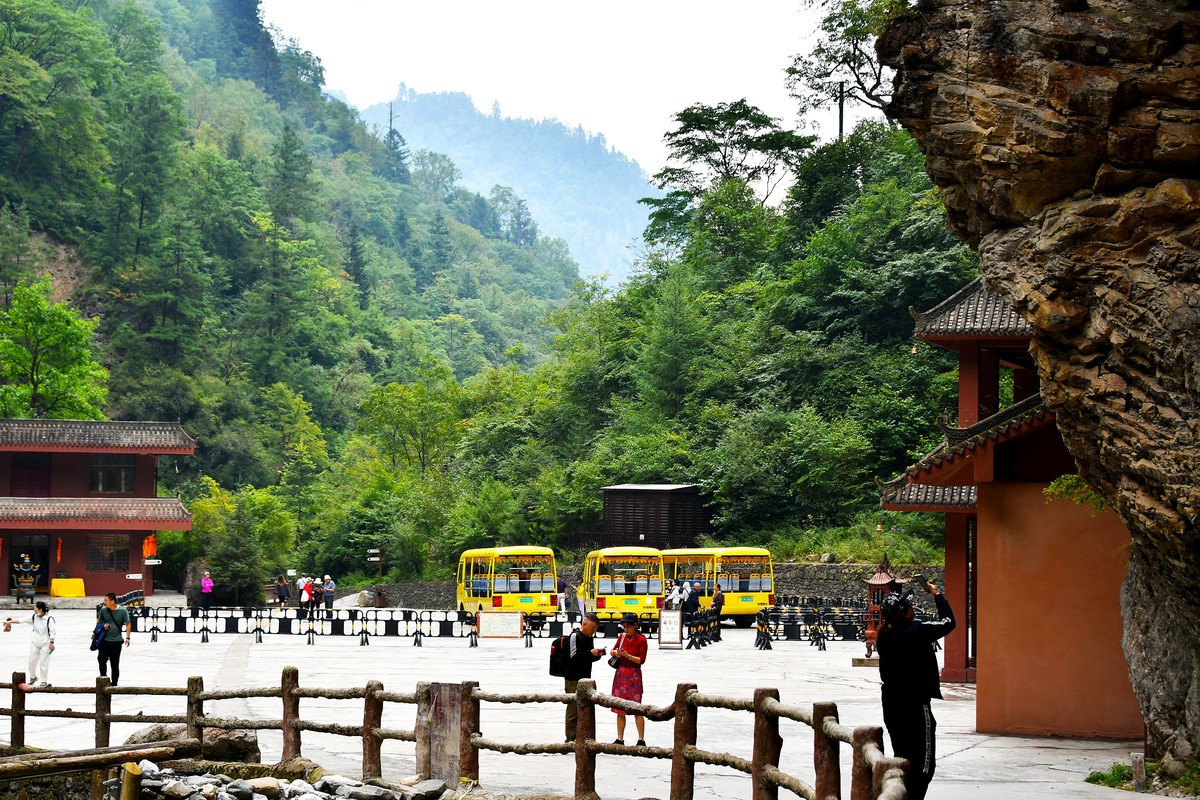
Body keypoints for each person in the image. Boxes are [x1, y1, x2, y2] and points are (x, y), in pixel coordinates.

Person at [876, 578, 956, 800]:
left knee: (902, 756)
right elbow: (949, 622)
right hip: (916, 703)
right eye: (909, 607)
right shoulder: (916, 630)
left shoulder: (883, 634)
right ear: (903, 613)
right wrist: (937, 595)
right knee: (924, 764)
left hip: (891, 702)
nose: (913, 609)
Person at [563, 612, 606, 743]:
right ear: (585, 624)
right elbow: (574, 657)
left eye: (595, 628)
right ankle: (570, 739)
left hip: (585, 679)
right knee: (572, 709)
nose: (594, 631)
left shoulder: (589, 638)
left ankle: (581, 737)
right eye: (593, 627)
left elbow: (587, 658)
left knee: (584, 708)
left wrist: (597, 654)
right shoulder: (575, 636)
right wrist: (590, 653)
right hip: (573, 678)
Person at [609, 613, 648, 746]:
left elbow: (641, 660)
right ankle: (620, 738)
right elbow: (612, 651)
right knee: (620, 709)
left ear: (635, 626)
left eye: (628, 627)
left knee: (637, 708)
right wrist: (617, 653)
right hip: (621, 674)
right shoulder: (622, 637)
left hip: (634, 675)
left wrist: (628, 656)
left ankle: (641, 739)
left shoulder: (642, 640)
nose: (626, 629)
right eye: (624, 627)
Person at [6, 601, 56, 687]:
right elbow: (22, 620)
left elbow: (52, 631)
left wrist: (51, 643)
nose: (34, 609)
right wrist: (10, 622)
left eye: (35, 608)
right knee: (31, 662)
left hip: (46, 644)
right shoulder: (34, 617)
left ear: (40, 609)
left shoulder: (49, 619)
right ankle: (33, 677)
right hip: (35, 643)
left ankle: (43, 681)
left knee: (43, 663)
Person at [96, 592, 132, 687]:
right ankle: (103, 680)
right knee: (101, 659)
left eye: (106, 600)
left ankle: (114, 683)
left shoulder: (122, 611)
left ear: (112, 601)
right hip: (104, 641)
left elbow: (128, 624)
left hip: (116, 642)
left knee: (114, 663)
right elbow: (99, 622)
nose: (104, 602)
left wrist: (128, 637)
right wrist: (103, 625)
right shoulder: (104, 610)